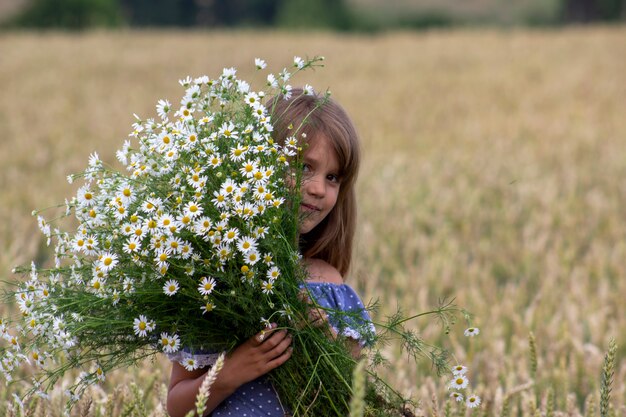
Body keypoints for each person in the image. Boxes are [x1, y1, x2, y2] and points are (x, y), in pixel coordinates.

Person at [166, 88, 373, 417]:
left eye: (332, 177)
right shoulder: (219, 283)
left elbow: (353, 397)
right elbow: (177, 408)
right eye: (304, 167)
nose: (318, 188)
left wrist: (323, 337)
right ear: (258, 165)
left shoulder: (330, 286)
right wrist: (227, 374)